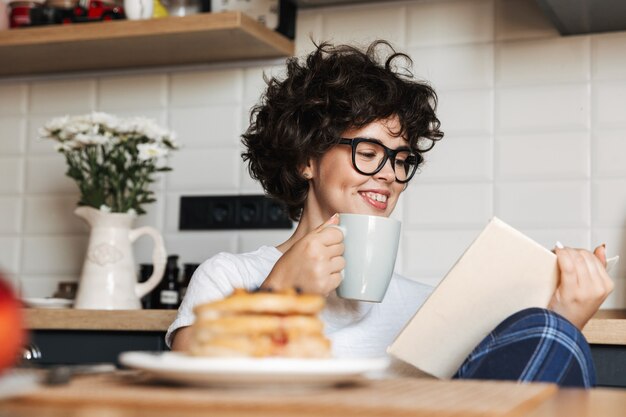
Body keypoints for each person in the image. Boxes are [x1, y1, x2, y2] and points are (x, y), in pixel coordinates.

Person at [167, 40, 614, 387]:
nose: (388, 176)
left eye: (400, 160)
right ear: (306, 159)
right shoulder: (231, 277)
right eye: (368, 151)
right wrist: (280, 294)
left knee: (544, 332)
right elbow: (182, 385)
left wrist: (562, 319)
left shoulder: (427, 307)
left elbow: (495, 398)